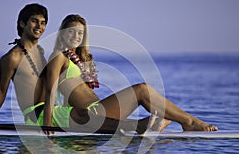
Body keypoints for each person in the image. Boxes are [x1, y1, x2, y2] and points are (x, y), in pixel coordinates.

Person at [0, 3, 163, 134]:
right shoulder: (12, 58)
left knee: (82, 112)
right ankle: (138, 126)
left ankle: (139, 126)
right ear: (22, 23)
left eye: (43, 22)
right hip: (36, 115)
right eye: (34, 21)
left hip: (53, 112)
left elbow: (56, 86)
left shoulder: (41, 52)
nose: (39, 26)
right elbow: (1, 89)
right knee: (82, 115)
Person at [43, 14, 218, 132]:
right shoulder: (58, 56)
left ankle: (157, 124)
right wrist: (48, 125)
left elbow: (69, 91)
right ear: (63, 33)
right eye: (71, 31)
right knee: (142, 90)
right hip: (91, 114)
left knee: (166, 113)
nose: (76, 36)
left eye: (80, 33)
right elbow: (51, 90)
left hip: (97, 113)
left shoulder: (76, 58)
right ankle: (189, 122)